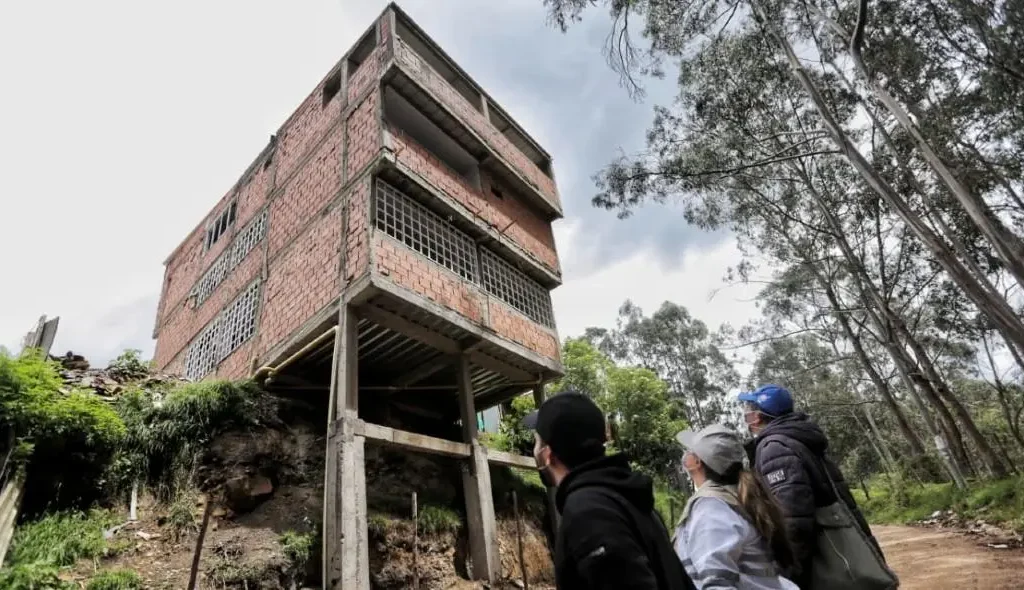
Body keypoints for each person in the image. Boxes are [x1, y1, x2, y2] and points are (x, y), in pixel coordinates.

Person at [523, 391, 696, 590]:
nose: (534, 449)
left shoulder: (588, 511)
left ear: (548, 454)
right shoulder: (624, 493)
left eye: (537, 441)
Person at [738, 384, 882, 588]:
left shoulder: (774, 447)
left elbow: (793, 516)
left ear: (758, 416)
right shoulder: (799, 436)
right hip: (843, 553)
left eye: (748, 413)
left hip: (821, 563)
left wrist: (790, 572)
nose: (747, 418)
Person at [673, 423, 799, 590]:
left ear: (695, 462)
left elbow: (717, 584)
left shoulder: (711, 508)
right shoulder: (738, 498)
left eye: (688, 451)